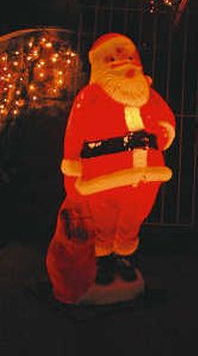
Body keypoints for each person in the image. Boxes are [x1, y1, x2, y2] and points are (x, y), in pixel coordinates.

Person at [46, 32, 175, 303]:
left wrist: (165, 130)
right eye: (113, 58)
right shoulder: (91, 96)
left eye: (128, 56)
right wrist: (72, 163)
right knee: (103, 220)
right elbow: (75, 129)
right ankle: (103, 260)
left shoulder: (149, 95)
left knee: (133, 217)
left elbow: (166, 117)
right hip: (104, 176)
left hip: (146, 174)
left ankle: (124, 258)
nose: (123, 62)